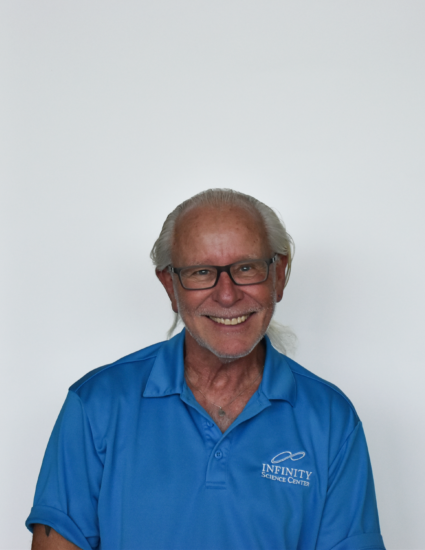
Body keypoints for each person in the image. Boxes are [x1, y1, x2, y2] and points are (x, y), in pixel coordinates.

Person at [27, 189, 385, 550]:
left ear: (279, 274)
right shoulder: (97, 405)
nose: (227, 295)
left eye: (246, 268)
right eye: (201, 272)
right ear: (169, 285)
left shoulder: (330, 419)